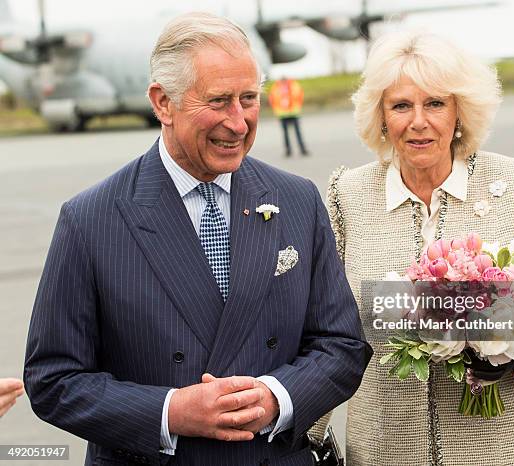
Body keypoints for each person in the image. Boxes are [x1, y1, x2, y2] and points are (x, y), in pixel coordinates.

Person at [24, 12, 371, 466]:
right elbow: (53, 380)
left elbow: (342, 345)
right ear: (162, 103)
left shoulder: (298, 200)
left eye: (249, 99)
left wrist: (275, 398)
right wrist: (171, 412)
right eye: (219, 100)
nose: (240, 122)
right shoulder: (90, 219)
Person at [312, 30, 514, 465]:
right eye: (400, 105)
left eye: (434, 103)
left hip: (504, 447)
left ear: (459, 112)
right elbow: (326, 329)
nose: (418, 121)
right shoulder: (347, 193)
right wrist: (309, 439)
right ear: (380, 116)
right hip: (385, 447)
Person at [268, 77, 309, 156]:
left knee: (297, 132)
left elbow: (300, 95)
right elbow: (272, 99)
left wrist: (298, 106)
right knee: (286, 133)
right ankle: (288, 150)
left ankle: (302, 149)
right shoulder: (276, 88)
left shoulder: (294, 85)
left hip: (293, 112)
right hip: (282, 114)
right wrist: (275, 109)